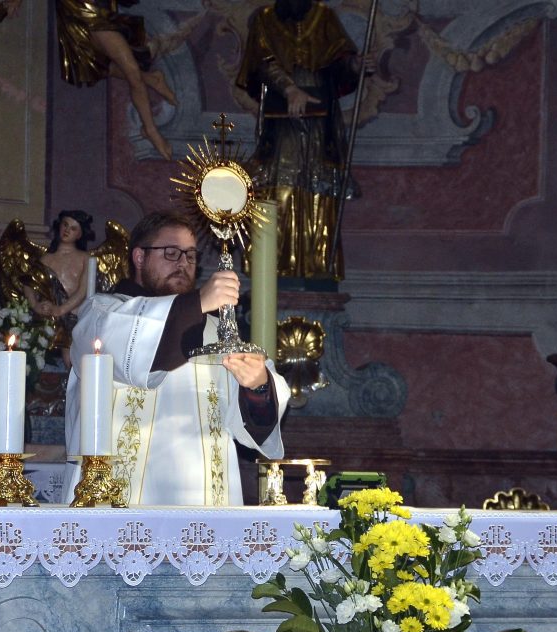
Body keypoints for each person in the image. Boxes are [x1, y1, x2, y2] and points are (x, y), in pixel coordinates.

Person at [66, 210, 288, 506]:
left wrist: (257, 385)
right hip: (118, 499)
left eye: (191, 256)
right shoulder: (101, 312)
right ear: (139, 257)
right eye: (171, 253)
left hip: (203, 499)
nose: (183, 263)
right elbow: (134, 348)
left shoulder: (217, 331)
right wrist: (199, 301)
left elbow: (255, 423)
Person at [235, 0, 369, 280]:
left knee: (318, 185)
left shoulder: (324, 16)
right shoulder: (265, 19)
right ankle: (274, 265)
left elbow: (338, 65)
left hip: (320, 119)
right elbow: (261, 63)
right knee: (278, 184)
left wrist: (355, 64)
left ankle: (317, 265)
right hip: (281, 119)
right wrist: (290, 89)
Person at [52, 0, 178, 159]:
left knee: (130, 72)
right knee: (96, 65)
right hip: (79, 15)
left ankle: (150, 127)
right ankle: (152, 83)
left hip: (96, 16)